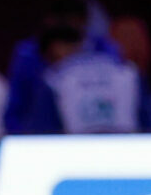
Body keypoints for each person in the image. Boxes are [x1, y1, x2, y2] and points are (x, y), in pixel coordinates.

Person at [13, 24, 143, 134]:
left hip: (77, 155)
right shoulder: (128, 73)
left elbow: (41, 135)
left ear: (55, 48)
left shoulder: (53, 79)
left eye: (48, 59)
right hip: (127, 152)